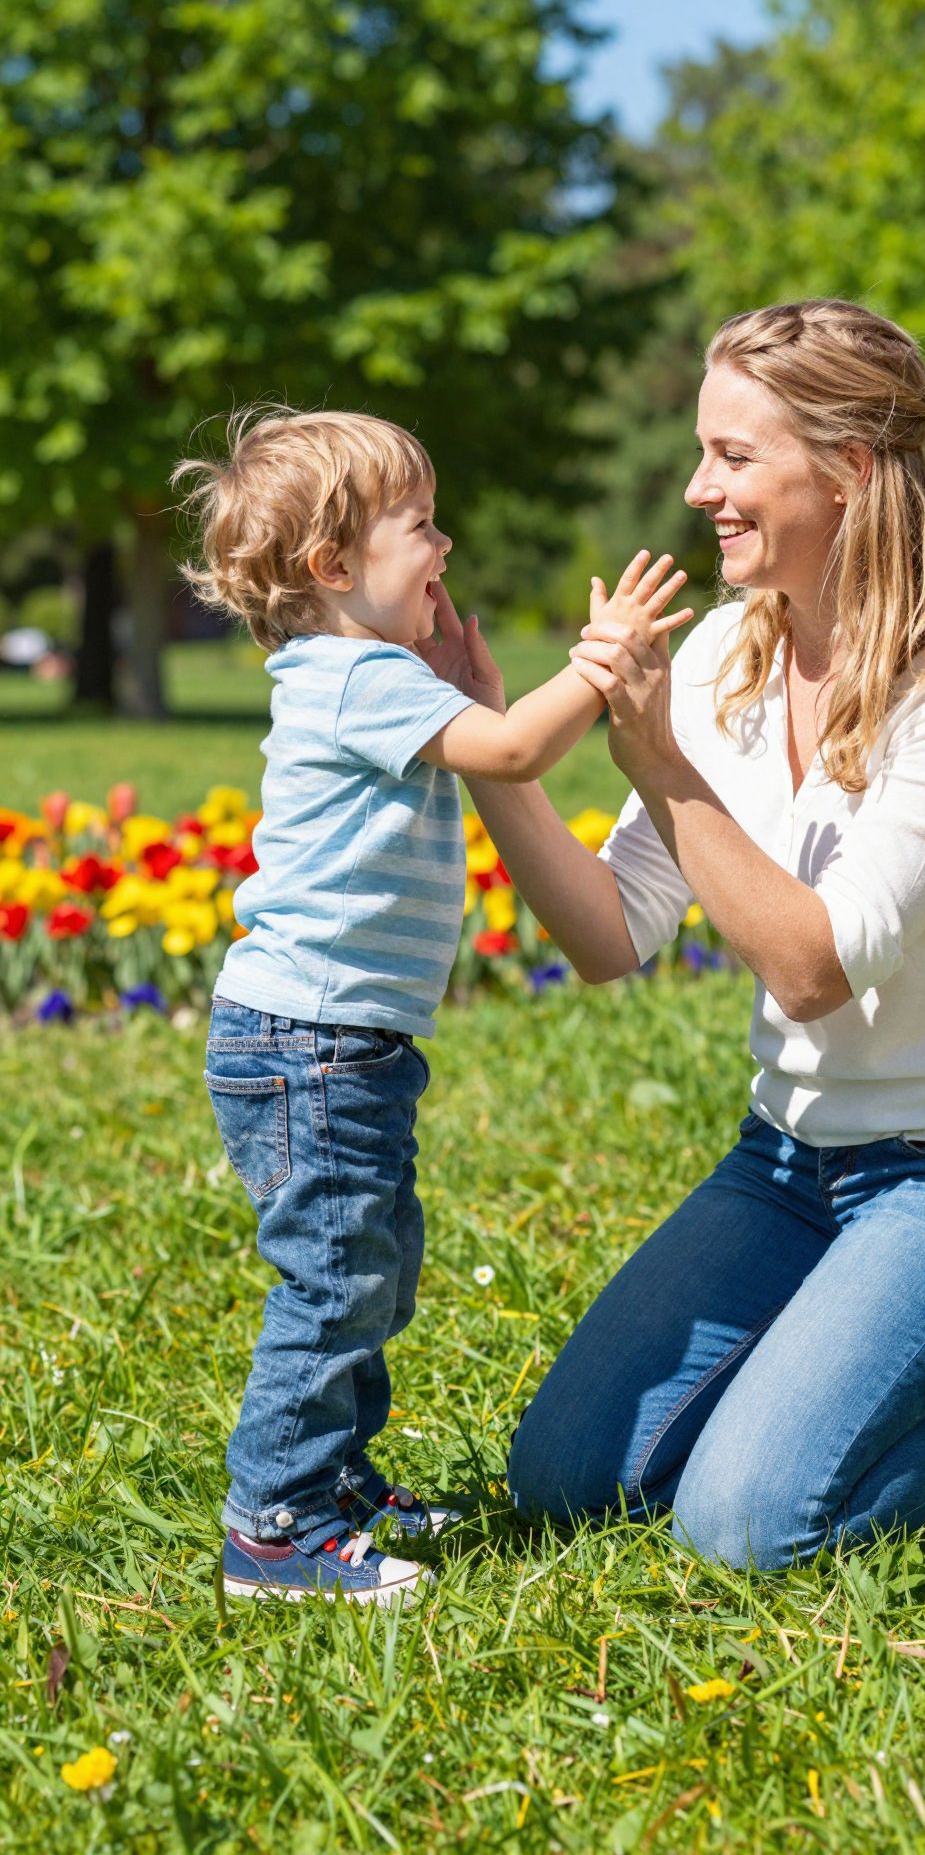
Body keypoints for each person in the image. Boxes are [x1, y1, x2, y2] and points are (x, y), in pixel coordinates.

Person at [452, 299, 925, 1571]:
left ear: (850, 468)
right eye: (703, 451)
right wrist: (489, 746)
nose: (702, 486)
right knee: (562, 1481)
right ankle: (851, 1347)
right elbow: (613, 934)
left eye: (736, 455)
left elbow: (816, 968)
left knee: (753, 1524)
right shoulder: (725, 653)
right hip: (790, 1162)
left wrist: (660, 762)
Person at [176, 407, 692, 1604]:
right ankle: (276, 1524)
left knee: (375, 1264)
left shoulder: (377, 674)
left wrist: (467, 686)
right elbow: (512, 752)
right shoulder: (350, 675)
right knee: (334, 1275)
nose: (446, 546)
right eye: (422, 524)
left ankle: (336, 1478)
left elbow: (484, 736)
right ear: (333, 568)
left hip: (341, 1042)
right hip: (309, 1042)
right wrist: (600, 661)